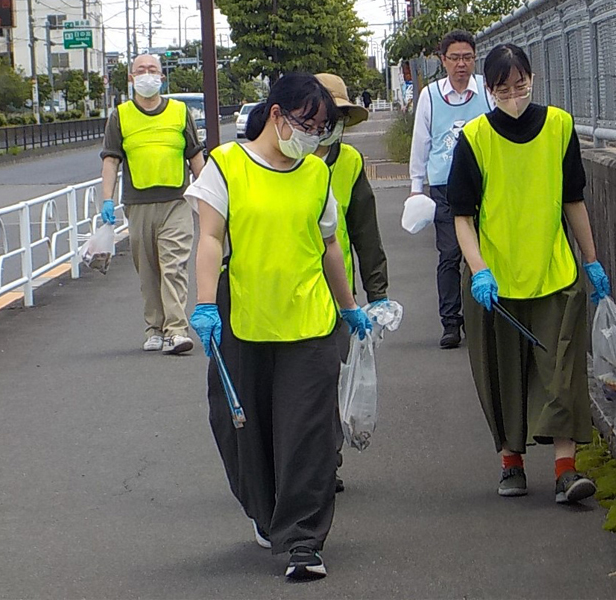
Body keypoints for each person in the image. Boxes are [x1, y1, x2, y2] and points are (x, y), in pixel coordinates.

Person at [185, 73, 372, 581]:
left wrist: (349, 307)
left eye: (321, 129)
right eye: (306, 123)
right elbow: (208, 239)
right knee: (242, 427)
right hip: (245, 320)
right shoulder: (226, 167)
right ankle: (268, 514)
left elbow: (330, 243)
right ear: (276, 114)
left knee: (308, 434)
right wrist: (205, 307)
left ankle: (304, 541)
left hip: (310, 323)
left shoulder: (315, 174)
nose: (312, 136)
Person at [447, 44, 612, 503]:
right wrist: (478, 270)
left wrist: (591, 259)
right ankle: (511, 463)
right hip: (495, 283)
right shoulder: (475, 137)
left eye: (520, 86)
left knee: (562, 370)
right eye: (503, 89)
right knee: (502, 372)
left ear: (533, 79)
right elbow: (462, 215)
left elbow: (572, 199)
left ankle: (565, 469)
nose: (514, 96)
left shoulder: (559, 127)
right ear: (489, 89)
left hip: (554, 272)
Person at [314, 72, 389, 493]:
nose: (333, 124)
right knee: (305, 381)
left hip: (338, 293)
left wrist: (377, 295)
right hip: (288, 290)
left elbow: (365, 231)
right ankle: (311, 458)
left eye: (341, 116)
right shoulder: (285, 159)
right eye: (328, 114)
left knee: (336, 375)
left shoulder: (351, 162)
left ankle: (329, 457)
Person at [100, 53, 204, 354]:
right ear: (131, 78)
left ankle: (176, 330)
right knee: (148, 271)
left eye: (153, 70)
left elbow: (195, 154)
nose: (147, 75)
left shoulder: (179, 112)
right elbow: (111, 159)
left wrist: (212, 195)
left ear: (162, 77)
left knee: (174, 266)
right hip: (138, 204)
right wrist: (107, 198)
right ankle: (154, 328)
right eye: (141, 70)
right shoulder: (120, 116)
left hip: (176, 201)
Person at [409, 29, 493, 349]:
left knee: (484, 251)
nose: (462, 64)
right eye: (455, 58)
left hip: (482, 183)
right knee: (450, 253)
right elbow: (422, 143)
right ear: (443, 60)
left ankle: (482, 317)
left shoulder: (486, 89)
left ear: (475, 58)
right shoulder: (430, 95)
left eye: (467, 57)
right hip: (444, 184)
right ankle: (451, 322)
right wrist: (417, 187)